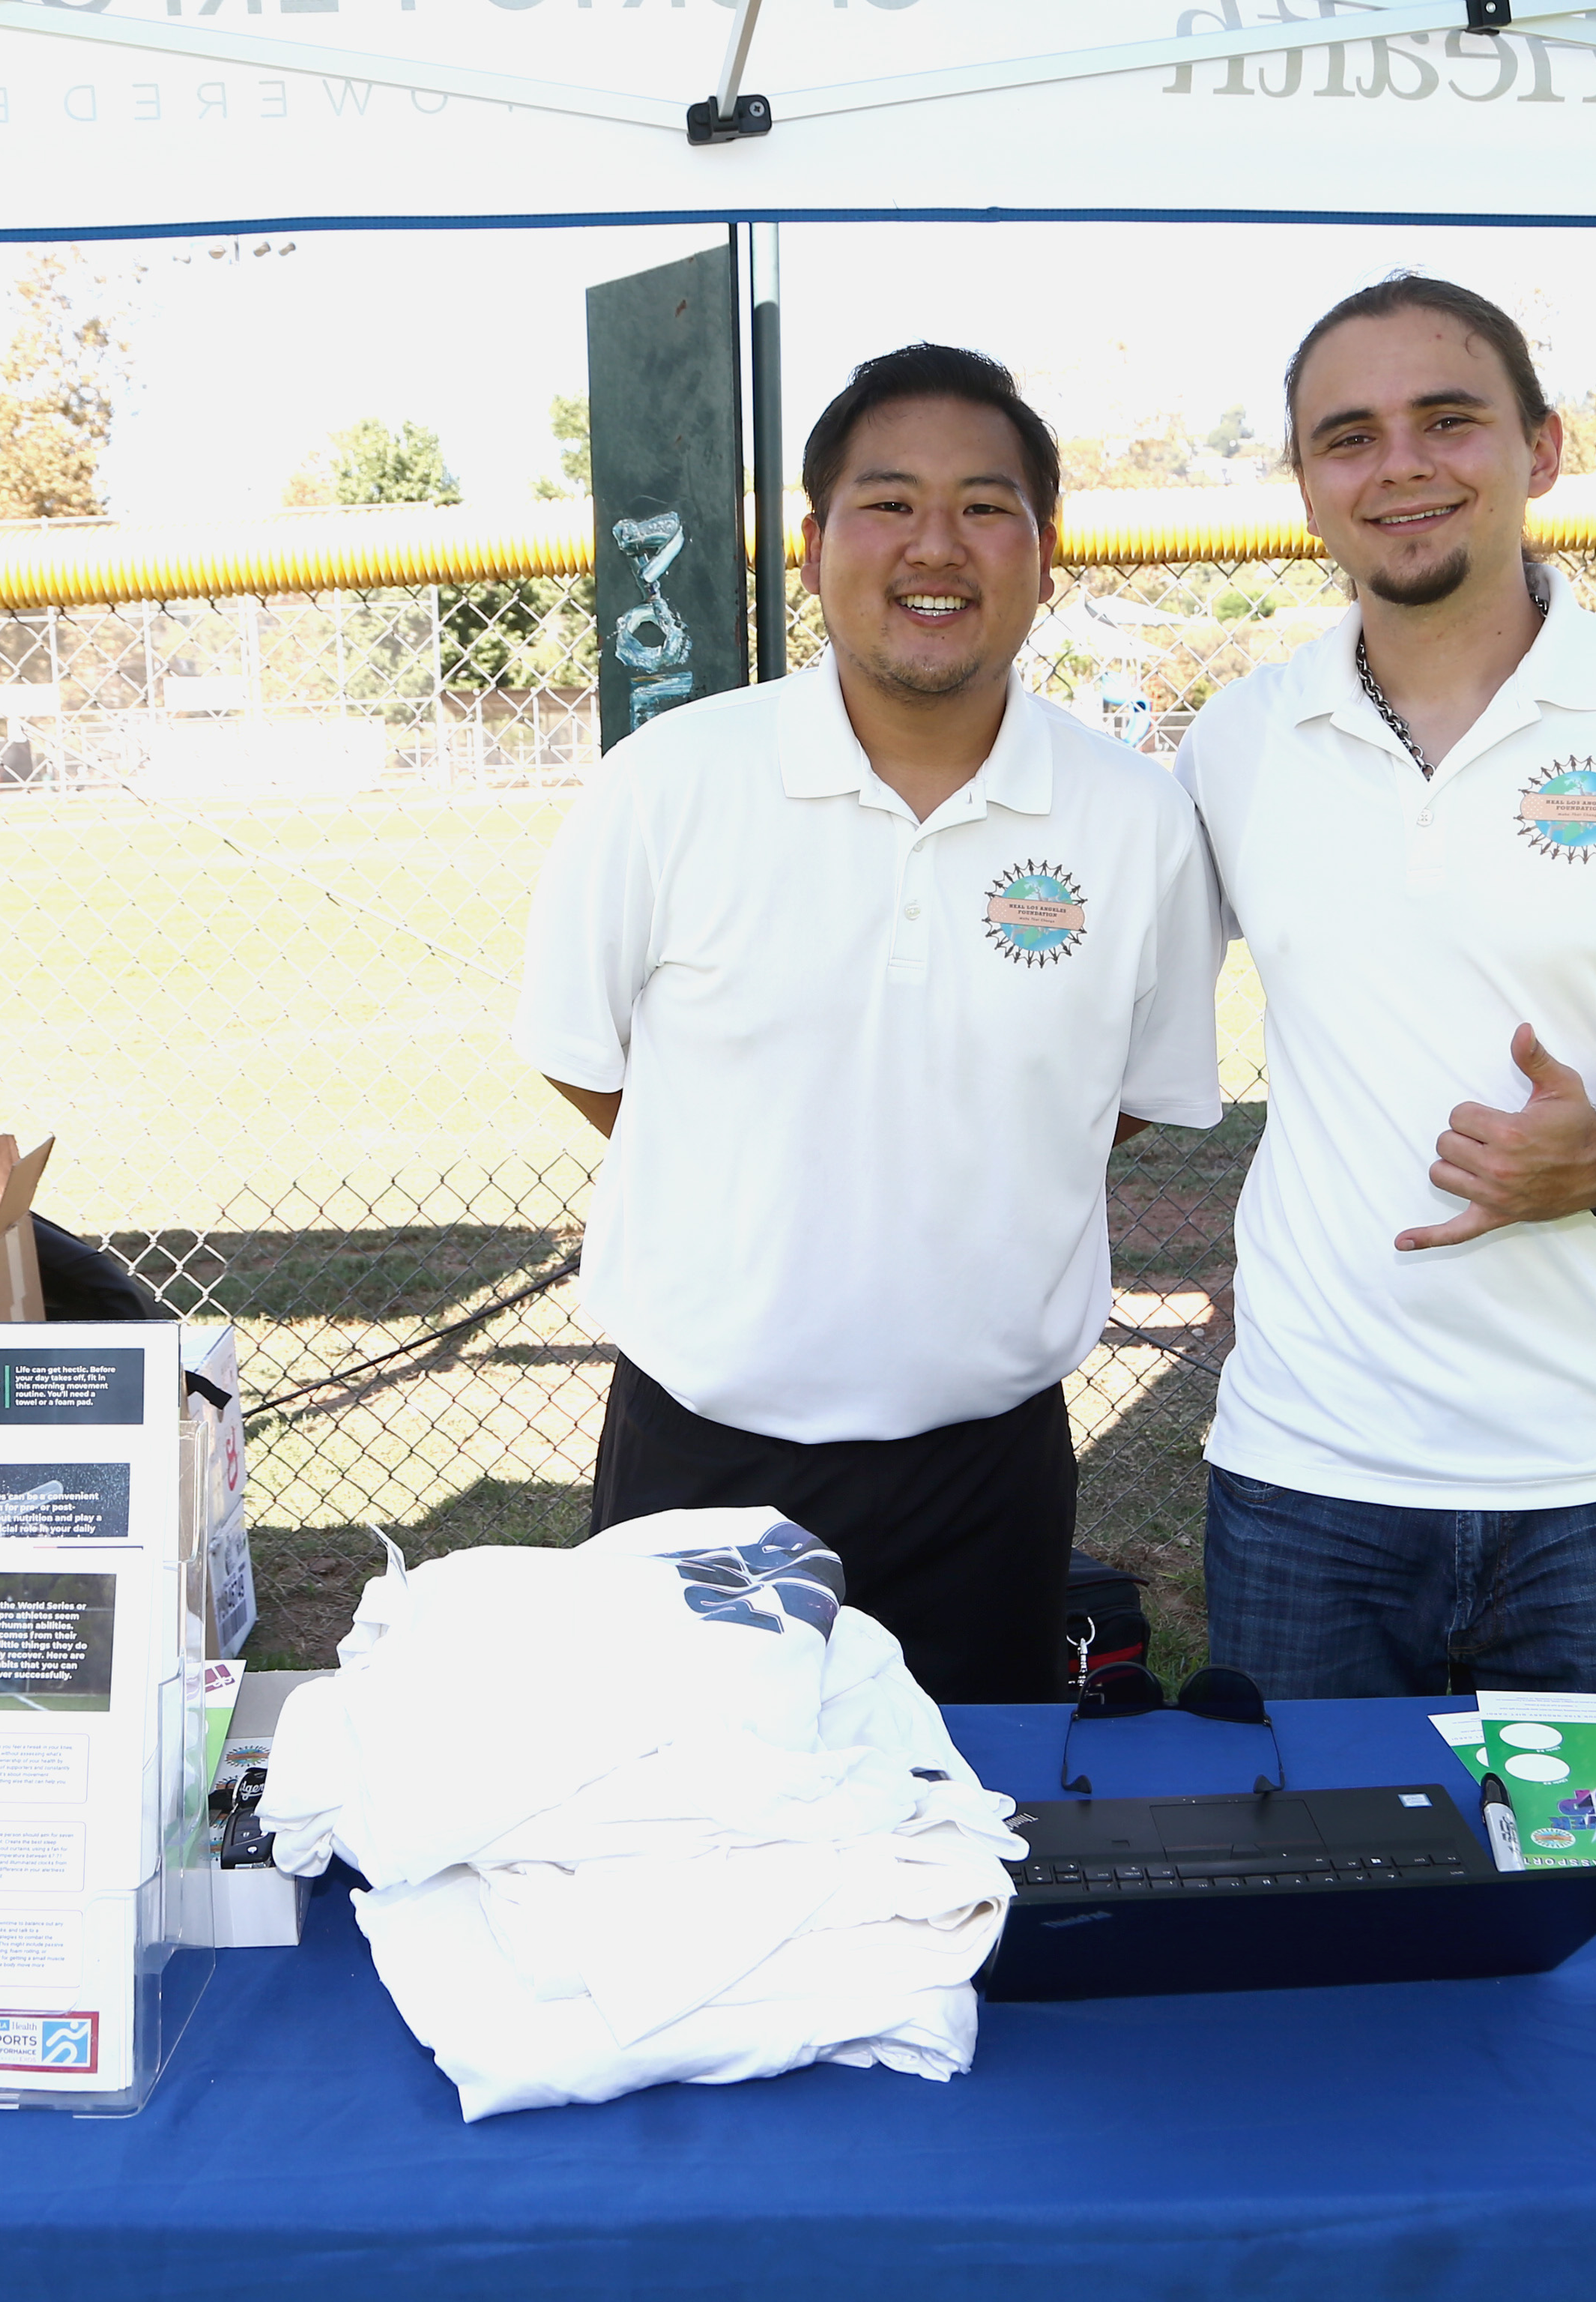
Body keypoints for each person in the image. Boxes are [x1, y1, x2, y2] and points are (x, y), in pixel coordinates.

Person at [1173, 275, 1596, 1724]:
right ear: (1303, 486)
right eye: (1348, 437)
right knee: (1323, 1933)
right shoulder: (1239, 741)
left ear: (1541, 450)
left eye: (1449, 420)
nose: (1403, 466)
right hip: (1308, 1475)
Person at [514, 343, 1227, 1704]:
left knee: (959, 1849)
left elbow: (1116, 1099)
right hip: (704, 1450)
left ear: (1045, 547)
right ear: (813, 544)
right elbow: (587, 1060)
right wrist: (762, 1172)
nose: (934, 546)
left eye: (983, 504)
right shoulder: (669, 784)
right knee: (686, 1832)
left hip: (985, 1468)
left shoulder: (1135, 821)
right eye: (889, 503)